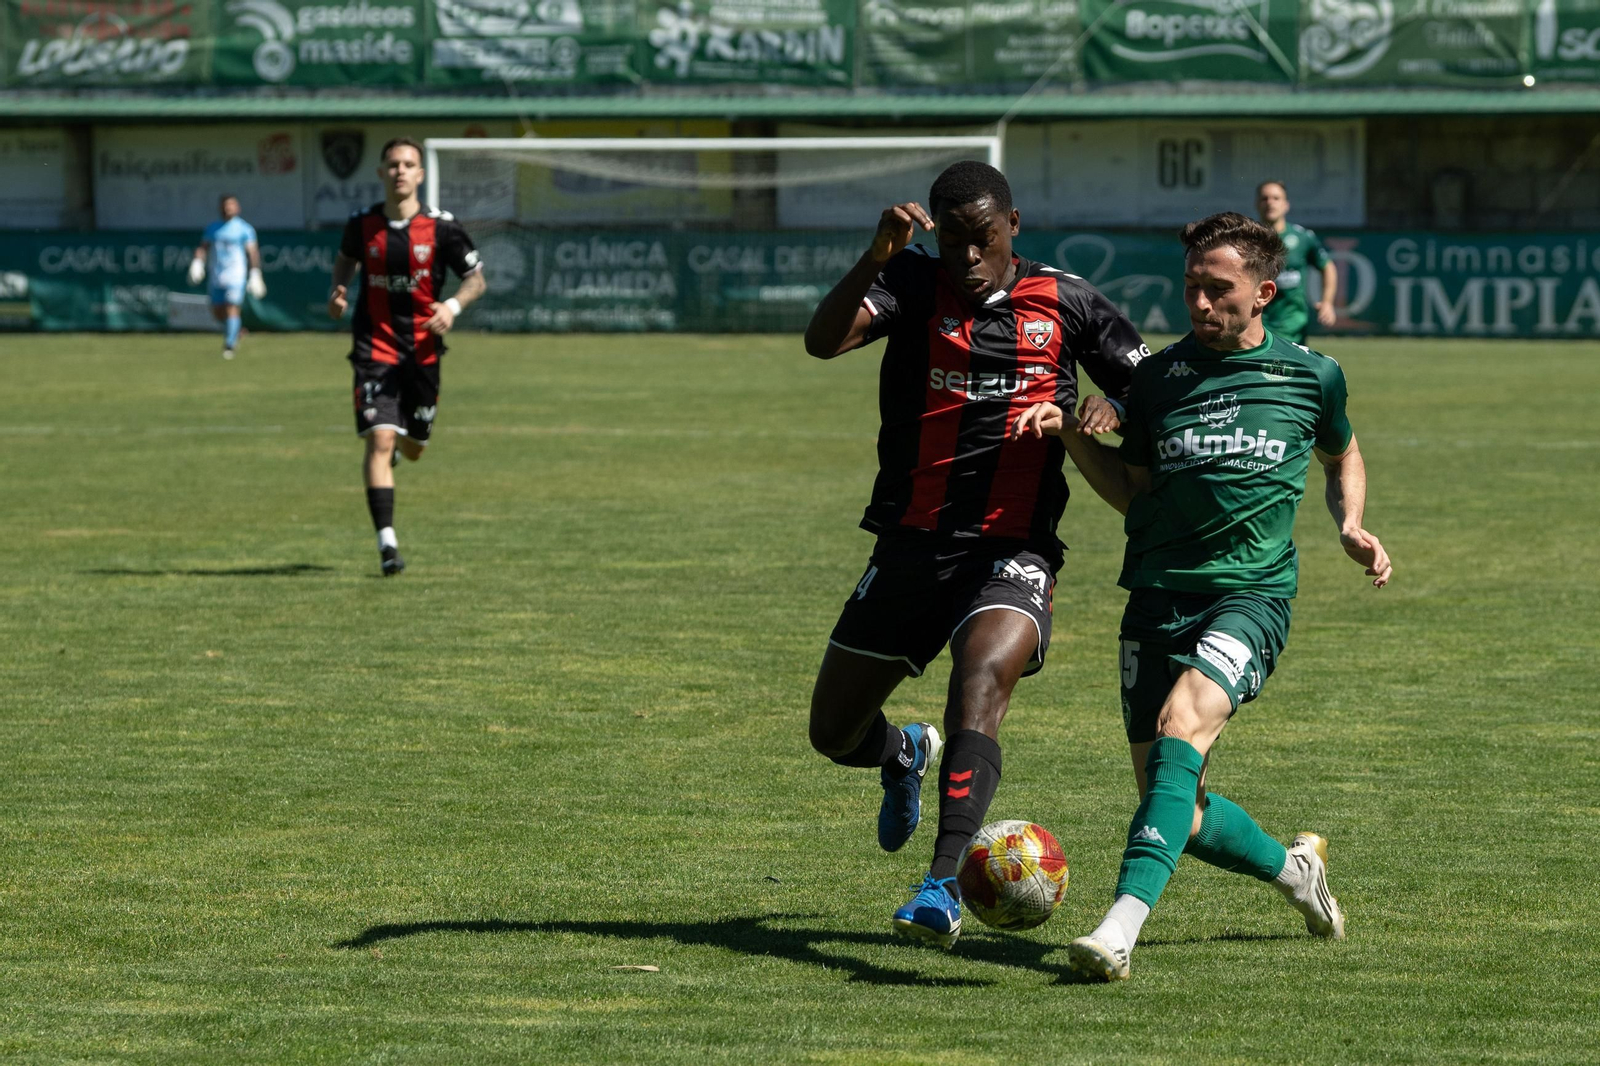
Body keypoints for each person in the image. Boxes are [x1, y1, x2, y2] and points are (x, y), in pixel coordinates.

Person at [1008, 212, 1391, 981]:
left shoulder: (1311, 375)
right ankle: (1294, 873)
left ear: (1263, 293)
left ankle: (1119, 930)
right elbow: (1133, 493)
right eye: (1192, 289)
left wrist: (1350, 521)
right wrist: (1074, 438)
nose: (1201, 304)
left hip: (1250, 597)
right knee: (1176, 807)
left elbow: (1341, 448)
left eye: (1219, 290)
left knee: (1183, 722)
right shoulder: (1156, 381)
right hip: (1154, 596)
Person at [802, 160, 1151, 949]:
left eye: (982, 239)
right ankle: (905, 751)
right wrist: (876, 258)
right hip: (911, 545)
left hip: (1014, 546)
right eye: (953, 239)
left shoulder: (1065, 300)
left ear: (1014, 226)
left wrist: (1113, 402)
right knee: (833, 734)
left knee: (982, 675)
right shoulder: (913, 286)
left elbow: (1152, 382)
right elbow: (822, 342)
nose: (966, 256)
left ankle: (940, 884)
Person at [327, 137, 486, 576]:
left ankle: (401, 445)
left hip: (423, 353)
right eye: (392, 164)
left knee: (413, 448)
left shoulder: (443, 228)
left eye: (408, 164)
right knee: (378, 439)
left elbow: (475, 279)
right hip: (373, 348)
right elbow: (345, 260)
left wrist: (451, 307)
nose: (400, 170)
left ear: (421, 174)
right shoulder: (362, 224)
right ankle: (387, 546)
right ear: (381, 173)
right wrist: (338, 289)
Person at [1255, 181, 1337, 345]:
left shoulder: (1302, 238)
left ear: (1286, 205)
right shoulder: (1248, 239)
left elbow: (1327, 266)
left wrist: (1327, 302)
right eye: (1265, 198)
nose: (1270, 202)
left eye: (1276, 198)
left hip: (1292, 325)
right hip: (1256, 323)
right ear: (1257, 204)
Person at [188, 195, 266, 360]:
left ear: (238, 208)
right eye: (226, 205)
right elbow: (203, 247)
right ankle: (235, 330)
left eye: (232, 205)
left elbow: (252, 252)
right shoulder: (213, 228)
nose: (228, 208)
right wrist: (197, 262)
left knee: (232, 308)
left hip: (236, 276)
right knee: (217, 312)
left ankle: (229, 345)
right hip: (217, 275)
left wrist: (255, 273)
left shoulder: (244, 229)